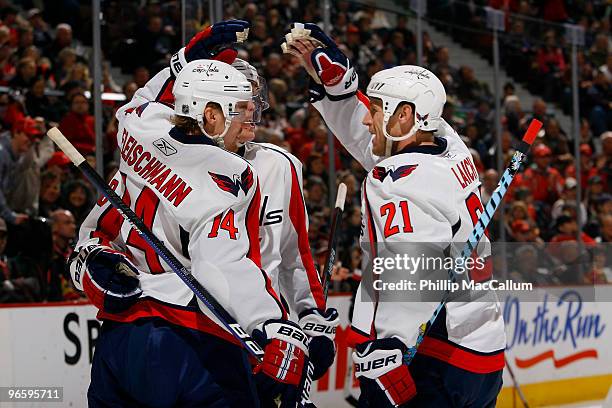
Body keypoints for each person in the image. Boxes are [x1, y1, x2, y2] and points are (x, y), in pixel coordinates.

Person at [67, 21, 309, 407]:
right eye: (235, 110)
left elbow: (146, 97)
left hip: (120, 342)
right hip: (191, 341)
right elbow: (221, 263)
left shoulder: (138, 126)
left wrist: (188, 58)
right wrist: (270, 326)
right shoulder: (229, 172)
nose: (244, 122)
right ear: (210, 116)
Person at [285, 24, 505, 406]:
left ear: (404, 116)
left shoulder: (395, 180)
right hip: (481, 353)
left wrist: (389, 348)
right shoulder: (452, 150)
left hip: (429, 358)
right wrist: (340, 91)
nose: (368, 119)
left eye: (375, 109)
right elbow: (379, 142)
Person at [131, 51, 339, 403]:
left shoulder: (280, 166)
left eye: (256, 101)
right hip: (202, 337)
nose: (253, 114)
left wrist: (311, 316)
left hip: (268, 340)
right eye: (242, 105)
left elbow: (294, 255)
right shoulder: (171, 165)